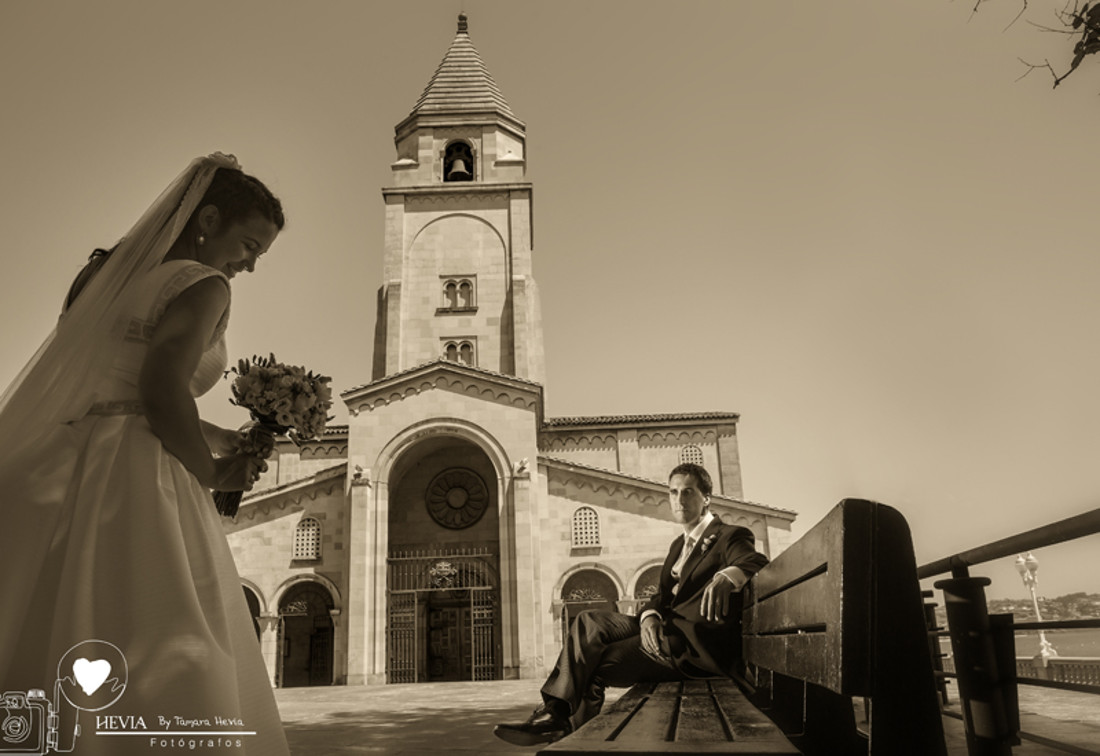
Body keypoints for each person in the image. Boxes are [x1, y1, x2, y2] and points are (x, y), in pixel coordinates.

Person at [0, 153, 290, 755]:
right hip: (138, 479)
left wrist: (222, 437)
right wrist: (210, 470)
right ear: (207, 217)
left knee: (54, 617)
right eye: (249, 244)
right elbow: (160, 394)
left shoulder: (100, 277)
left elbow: (116, 391)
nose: (250, 264)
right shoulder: (203, 285)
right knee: (166, 628)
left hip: (66, 459)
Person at [494, 462, 769, 747]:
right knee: (588, 621)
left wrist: (726, 577)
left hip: (691, 650)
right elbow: (661, 597)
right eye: (673, 492)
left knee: (596, 666)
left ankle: (570, 736)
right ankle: (556, 714)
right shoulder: (678, 545)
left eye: (688, 492)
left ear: (706, 497)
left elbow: (755, 561)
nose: (679, 500)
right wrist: (649, 616)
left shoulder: (729, 535)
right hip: (663, 628)